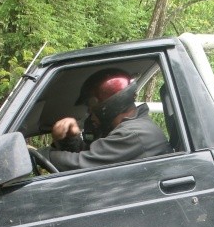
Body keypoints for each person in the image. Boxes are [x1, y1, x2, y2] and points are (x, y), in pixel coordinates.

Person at [42, 68, 173, 171]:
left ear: (107, 106)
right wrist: (69, 139)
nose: (89, 113)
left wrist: (39, 156)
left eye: (90, 106)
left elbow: (81, 165)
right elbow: (92, 156)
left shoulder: (134, 133)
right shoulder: (129, 129)